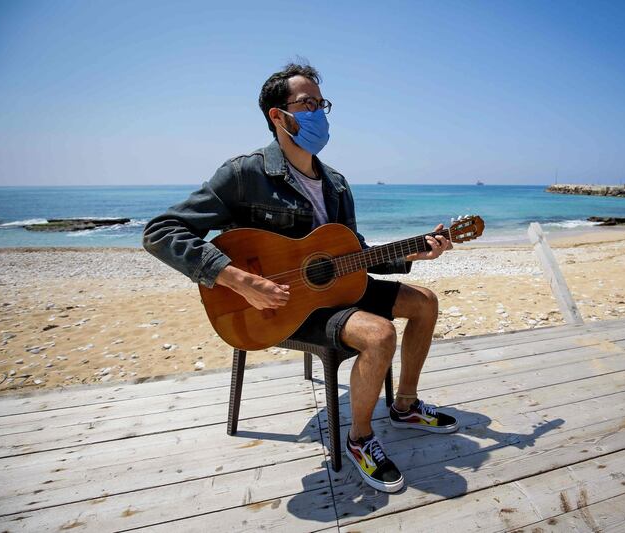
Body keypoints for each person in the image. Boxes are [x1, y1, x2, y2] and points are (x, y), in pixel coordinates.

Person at [142, 62, 458, 493]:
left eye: (321, 104)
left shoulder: (337, 185)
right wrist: (237, 280)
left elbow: (354, 255)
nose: (319, 113)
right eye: (307, 103)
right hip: (281, 305)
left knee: (425, 301)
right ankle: (360, 439)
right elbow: (161, 232)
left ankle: (404, 405)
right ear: (278, 115)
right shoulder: (243, 174)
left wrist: (411, 254)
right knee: (379, 334)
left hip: (337, 292)